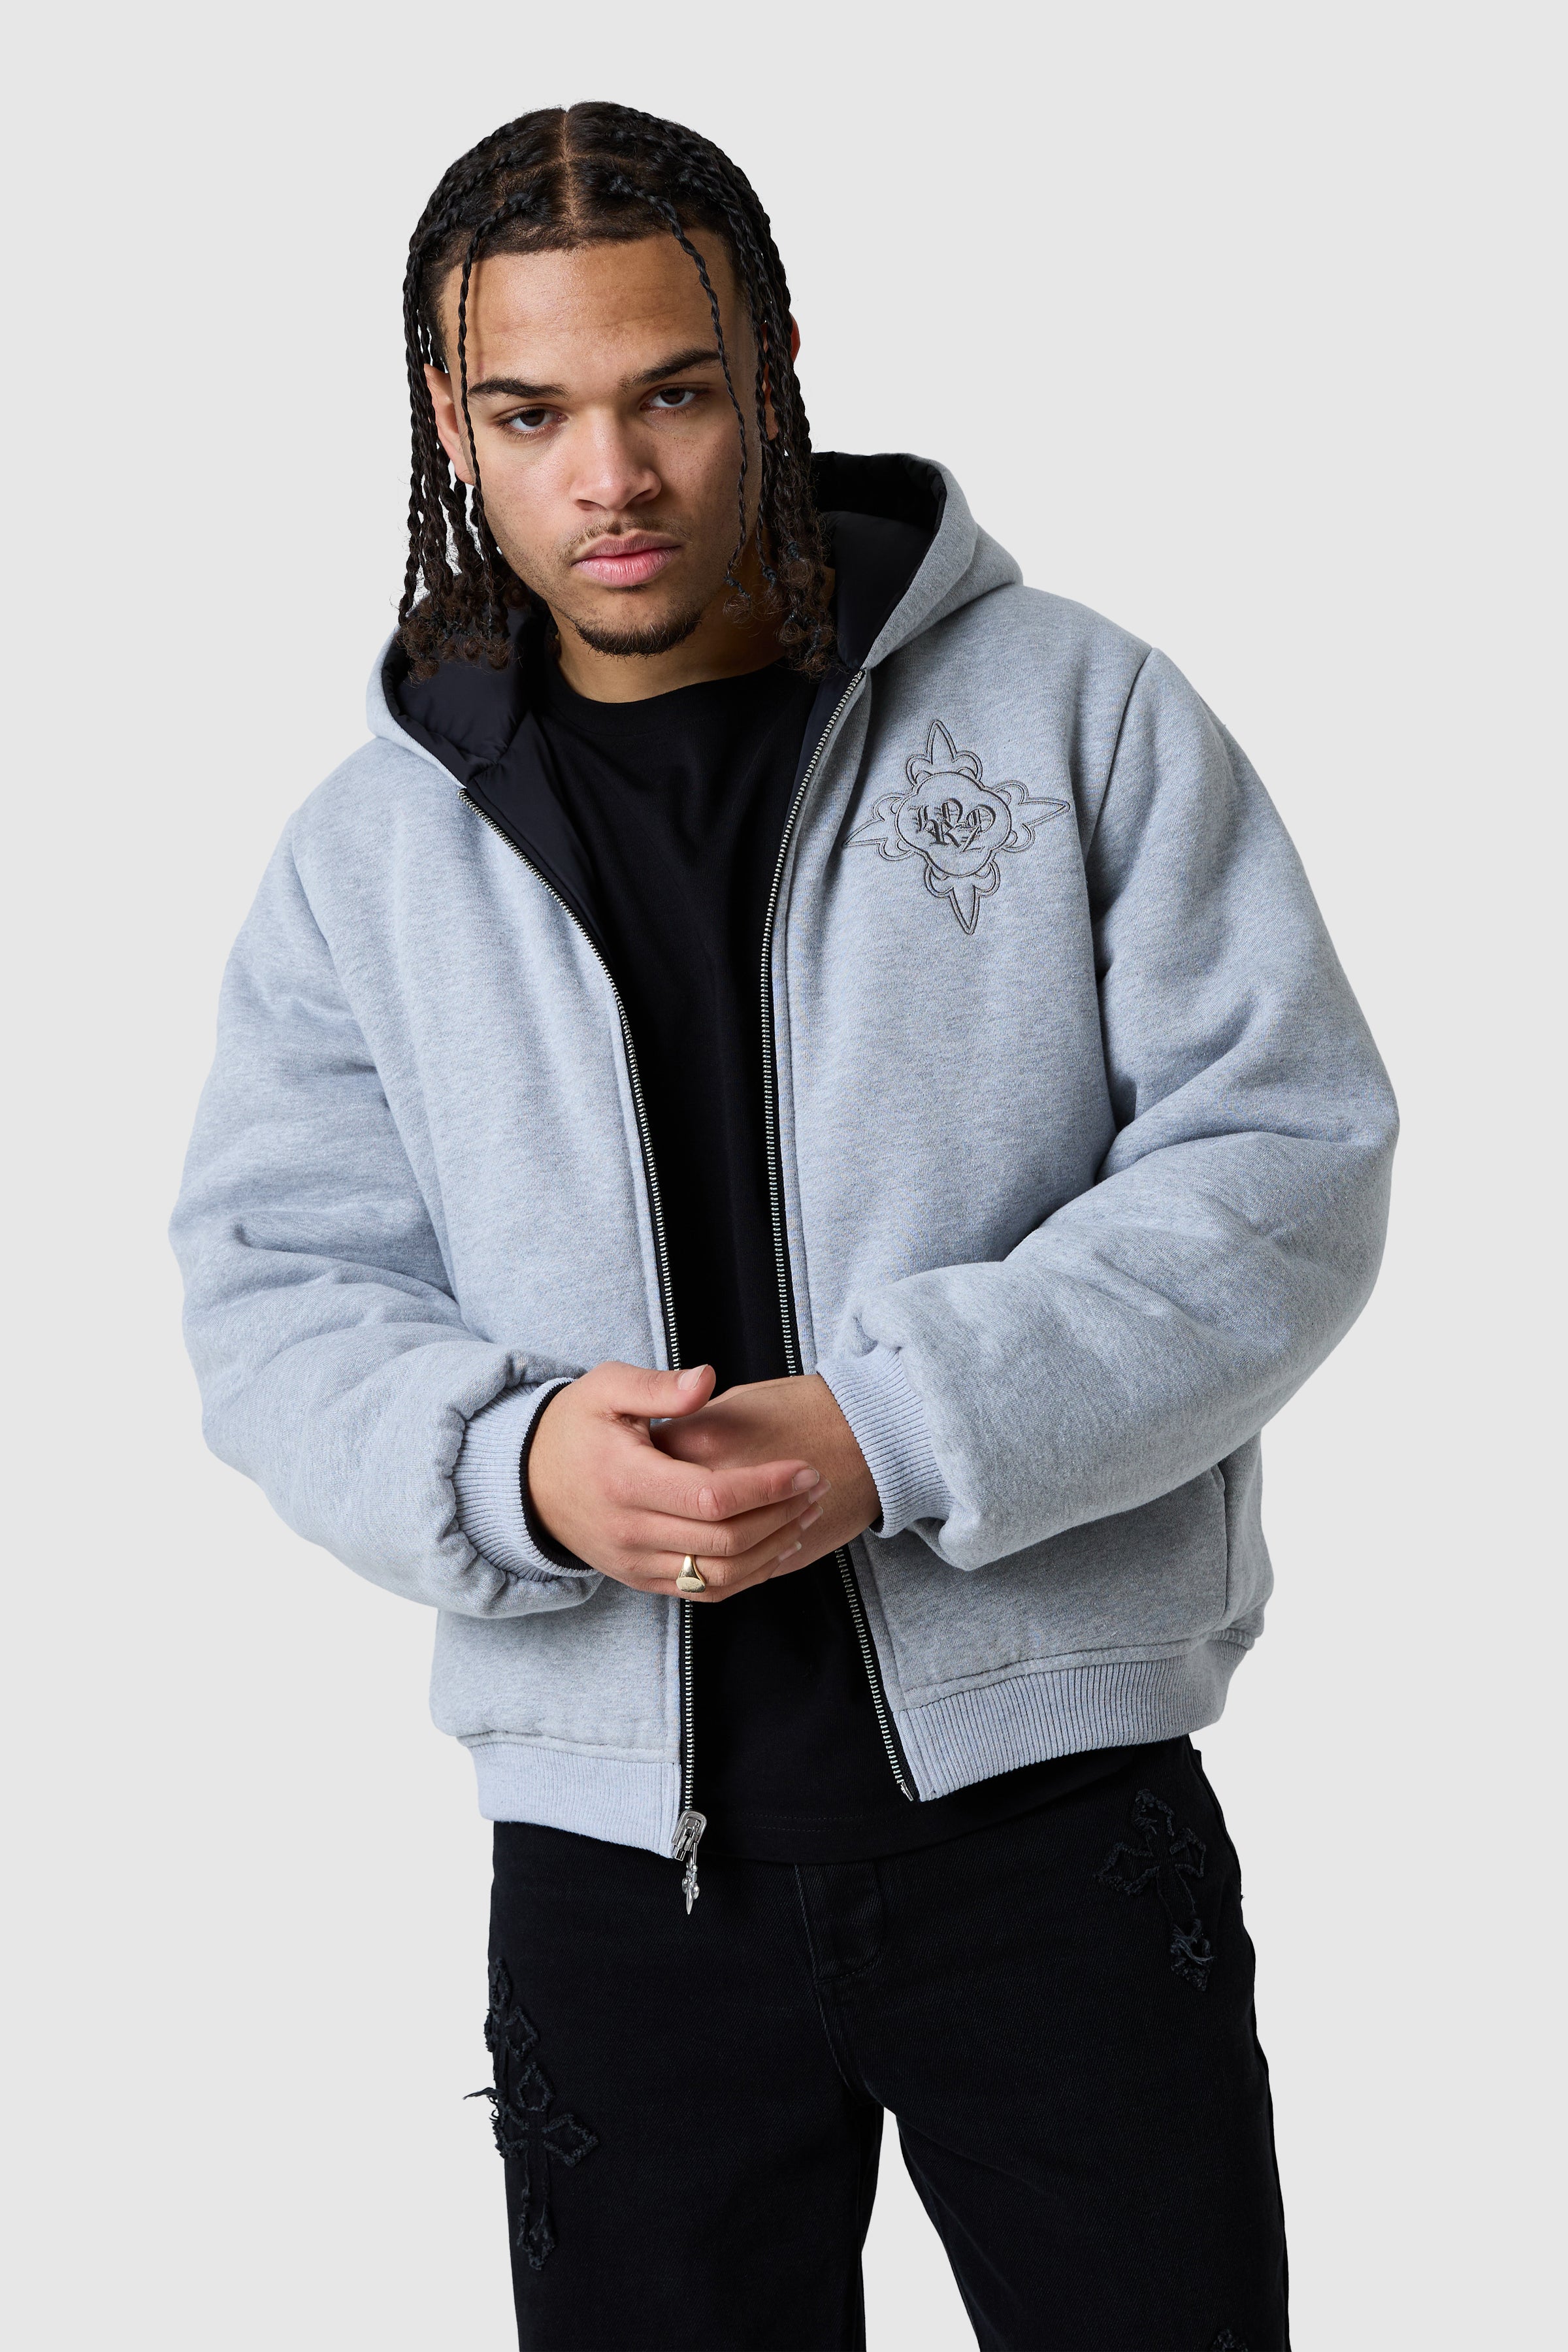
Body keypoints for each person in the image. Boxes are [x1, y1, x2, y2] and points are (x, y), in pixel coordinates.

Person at [171, 100, 1395, 2352]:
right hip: (615, 1873)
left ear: (775, 365)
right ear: (449, 416)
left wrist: (895, 1430)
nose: (609, 478)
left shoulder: (1070, 712)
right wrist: (513, 1465)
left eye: (674, 393)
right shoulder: (373, 851)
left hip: (1059, 1818)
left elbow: (1282, 1165)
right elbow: (273, 1288)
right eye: (531, 415)